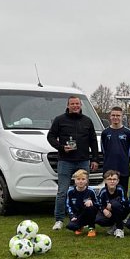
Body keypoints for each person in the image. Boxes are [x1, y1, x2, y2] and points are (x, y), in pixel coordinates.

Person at [47, 95, 99, 230]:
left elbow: (93, 140)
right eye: (73, 104)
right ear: (68, 105)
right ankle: (58, 220)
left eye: (77, 104)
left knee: (85, 191)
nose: (75, 106)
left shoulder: (87, 121)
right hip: (65, 161)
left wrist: (94, 159)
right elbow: (50, 136)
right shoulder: (60, 120)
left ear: (81, 105)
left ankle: (84, 219)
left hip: (83, 161)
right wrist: (61, 147)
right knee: (62, 192)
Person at [99, 106, 130, 195]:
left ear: (122, 117)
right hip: (109, 168)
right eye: (113, 115)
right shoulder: (105, 132)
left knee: (122, 193)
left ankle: (122, 209)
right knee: (109, 194)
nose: (115, 117)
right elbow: (104, 151)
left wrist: (124, 162)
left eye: (118, 115)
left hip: (123, 169)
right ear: (110, 117)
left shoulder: (128, 133)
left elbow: (129, 152)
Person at [95, 169, 129, 238]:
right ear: (105, 181)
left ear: (118, 181)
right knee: (98, 219)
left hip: (121, 211)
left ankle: (120, 229)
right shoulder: (103, 191)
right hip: (109, 213)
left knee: (115, 204)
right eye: (109, 179)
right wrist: (104, 210)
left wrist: (112, 204)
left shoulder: (120, 189)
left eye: (114, 179)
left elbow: (125, 202)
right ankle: (115, 224)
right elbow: (99, 204)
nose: (112, 181)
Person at [65, 169, 99, 236]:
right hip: (77, 215)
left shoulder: (91, 191)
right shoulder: (70, 191)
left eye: (83, 179)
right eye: (78, 179)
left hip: (88, 214)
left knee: (90, 207)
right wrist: (72, 216)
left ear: (86, 181)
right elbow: (68, 205)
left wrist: (91, 202)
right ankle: (80, 226)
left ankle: (91, 227)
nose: (80, 181)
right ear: (75, 180)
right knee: (71, 226)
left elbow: (98, 204)